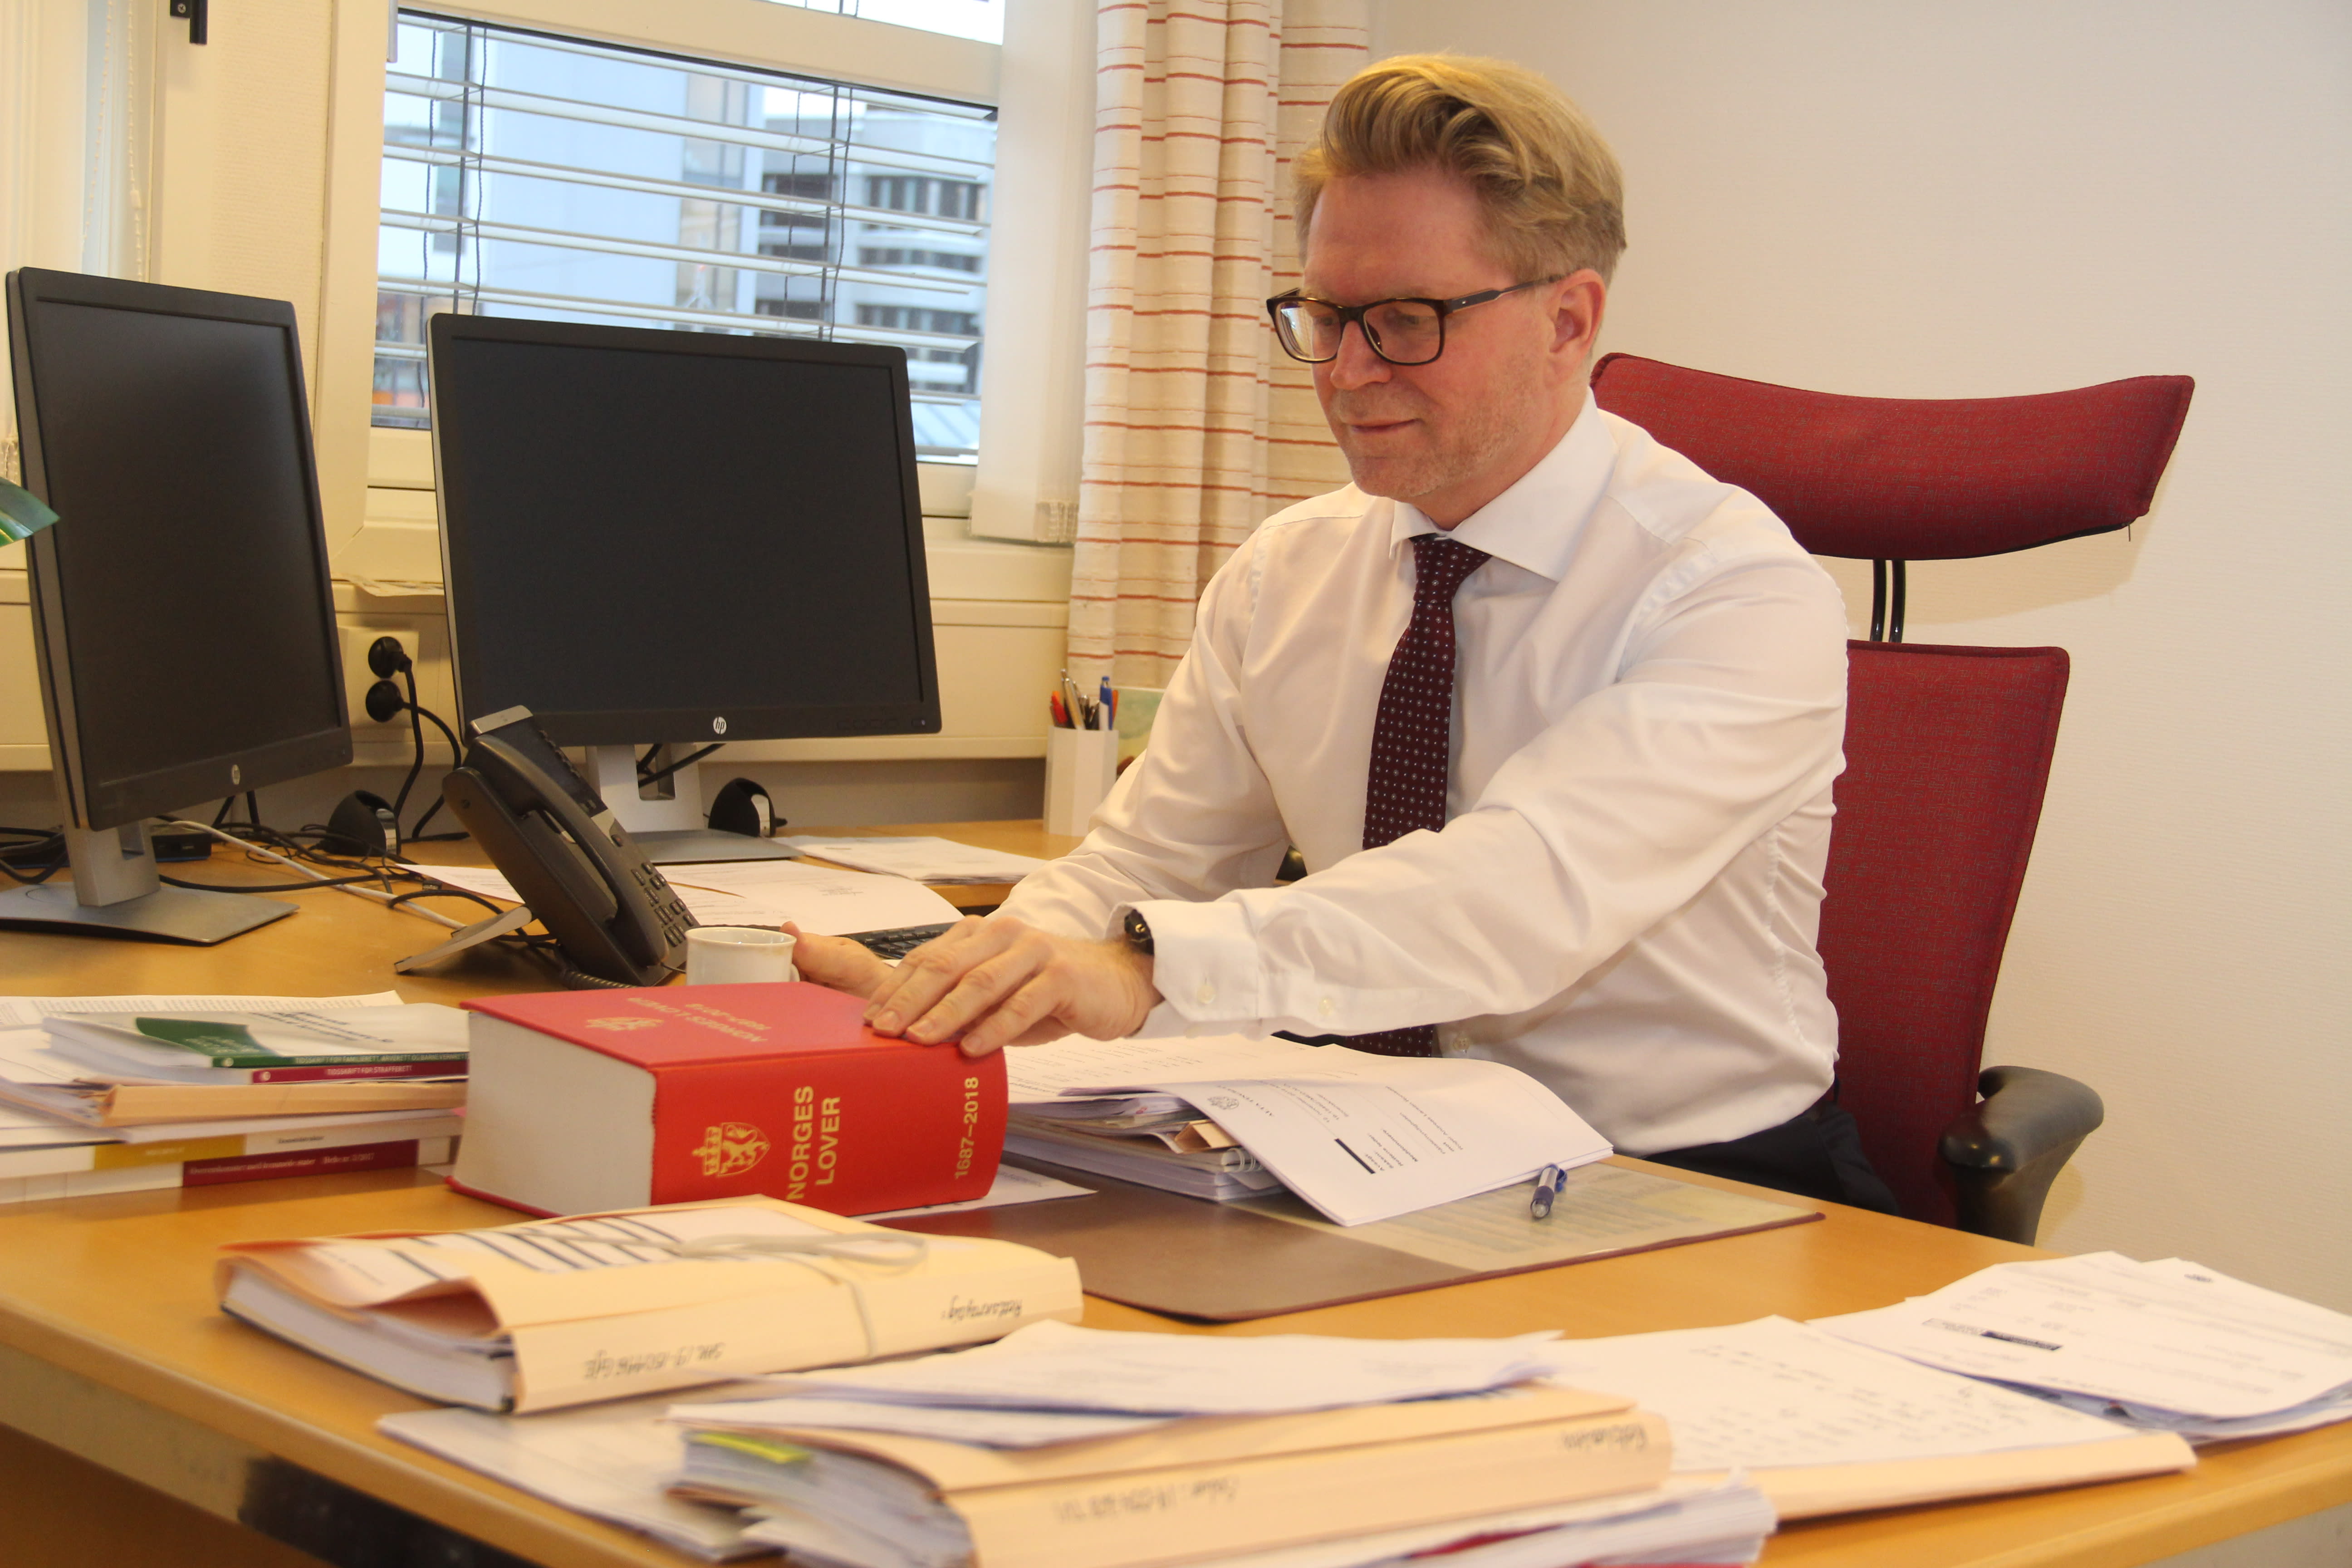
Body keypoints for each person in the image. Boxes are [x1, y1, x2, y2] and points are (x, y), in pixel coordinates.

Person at [794, 55, 1896, 1212]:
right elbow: (1149, 865)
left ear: (1567, 321)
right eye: (1325, 318)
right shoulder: (1289, 570)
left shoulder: (1732, 588)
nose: (1348, 372)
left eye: (1408, 321)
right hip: (1359, 1142)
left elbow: (1519, 894)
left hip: (1680, 1172)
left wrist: (1147, 967)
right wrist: (976, 984)